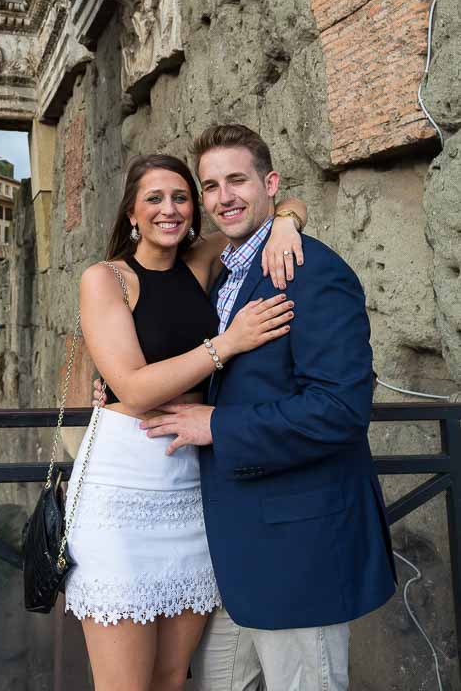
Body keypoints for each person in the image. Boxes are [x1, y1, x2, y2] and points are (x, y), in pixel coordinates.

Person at [136, 125, 397, 691]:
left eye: (237, 180)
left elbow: (340, 409)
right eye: (210, 186)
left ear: (270, 183)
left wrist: (217, 425)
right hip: (231, 553)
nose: (223, 196)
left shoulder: (313, 272)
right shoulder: (215, 272)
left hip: (299, 550)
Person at [65, 152, 307, 691]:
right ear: (131, 212)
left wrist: (288, 222)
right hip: (121, 486)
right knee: (126, 684)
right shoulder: (106, 279)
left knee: (173, 676)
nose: (169, 210)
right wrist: (228, 343)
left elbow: (276, 204)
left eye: (180, 198)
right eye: (154, 198)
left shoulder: (199, 262)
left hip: (189, 482)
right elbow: (130, 385)